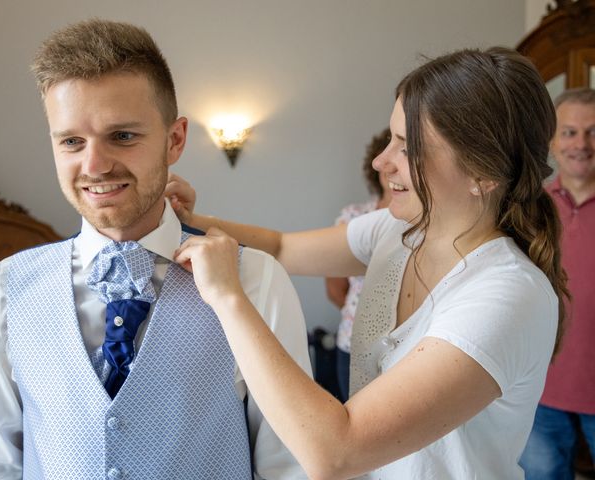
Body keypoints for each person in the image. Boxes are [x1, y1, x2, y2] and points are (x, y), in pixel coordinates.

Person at [167, 47, 568, 479]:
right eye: (390, 138)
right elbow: (281, 247)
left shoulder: (507, 296)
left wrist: (229, 298)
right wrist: (190, 219)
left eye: (408, 147)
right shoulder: (395, 232)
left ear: (482, 174)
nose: (381, 162)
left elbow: (336, 452)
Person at [0, 19, 312, 479]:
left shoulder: (256, 280)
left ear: (175, 139)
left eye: (122, 136)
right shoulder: (3, 290)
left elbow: (290, 467)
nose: (95, 165)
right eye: (71, 141)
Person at [520, 87, 595, 479]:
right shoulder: (532, 210)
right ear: (552, 140)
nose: (581, 143)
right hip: (541, 387)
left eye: (593, 131)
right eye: (569, 132)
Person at [325, 129, 391, 401]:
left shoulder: (430, 222)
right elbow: (336, 289)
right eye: (385, 161)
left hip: (407, 351)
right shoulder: (354, 217)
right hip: (353, 344)